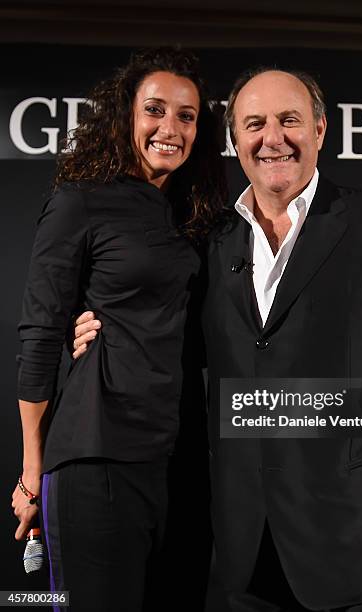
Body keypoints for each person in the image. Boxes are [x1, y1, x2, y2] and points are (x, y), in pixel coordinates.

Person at [73, 68, 362, 612]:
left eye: (290, 120)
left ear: (322, 130)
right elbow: (173, 344)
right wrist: (101, 326)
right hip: (237, 550)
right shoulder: (209, 237)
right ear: (235, 140)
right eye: (254, 124)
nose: (272, 138)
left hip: (358, 546)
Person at [12, 47, 226, 611]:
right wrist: (31, 471)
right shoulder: (79, 203)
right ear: (125, 116)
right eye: (155, 110)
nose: (170, 128)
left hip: (180, 462)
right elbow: (39, 333)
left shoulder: (195, 216)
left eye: (187, 115)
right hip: (96, 456)